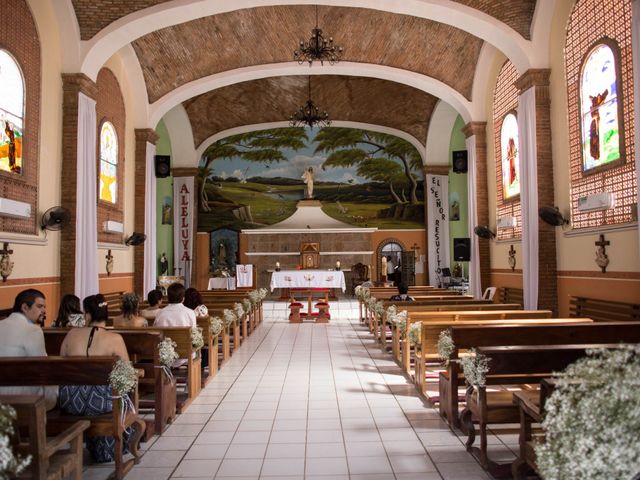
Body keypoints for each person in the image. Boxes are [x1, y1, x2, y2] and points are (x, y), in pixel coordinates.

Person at [58, 294, 132, 463]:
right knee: (123, 396)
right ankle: (112, 446)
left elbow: (61, 366)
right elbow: (127, 372)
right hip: (103, 401)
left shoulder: (71, 335)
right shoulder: (115, 338)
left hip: (71, 401)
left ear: (88, 314)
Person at [0, 289, 58, 410]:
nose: (44, 311)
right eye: (40, 306)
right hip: (21, 400)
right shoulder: (33, 330)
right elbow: (43, 367)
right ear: (25, 307)